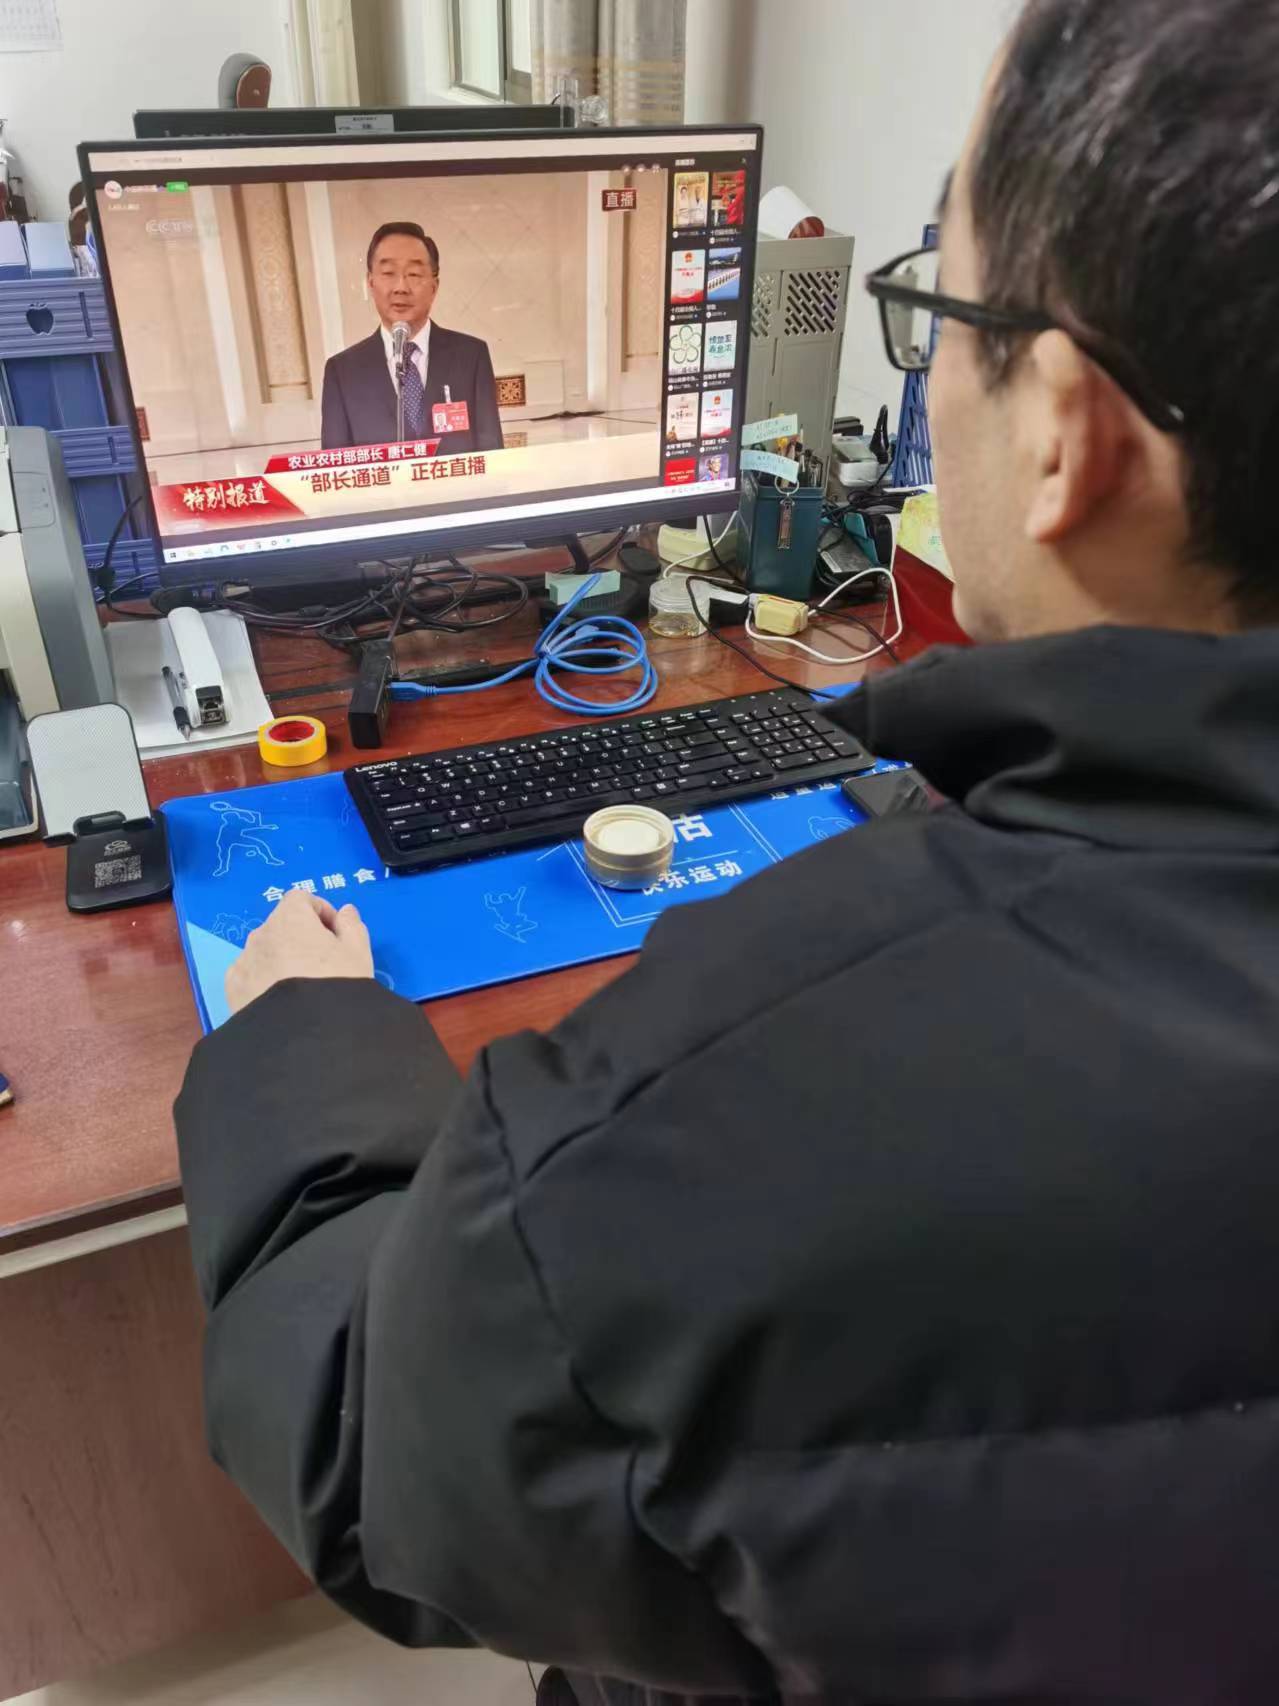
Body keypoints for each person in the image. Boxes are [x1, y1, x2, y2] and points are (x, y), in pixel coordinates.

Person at [175, 1, 1279, 1699]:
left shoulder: (715, 1116)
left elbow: (369, 1452)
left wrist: (296, 1048)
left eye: (934, 307)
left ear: (1063, 428)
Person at [319, 221, 503, 455]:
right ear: (371, 283)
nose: (401, 287)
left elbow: (492, 454)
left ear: (434, 287)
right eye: (388, 273)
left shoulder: (471, 356)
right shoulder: (343, 372)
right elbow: (335, 465)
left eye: (414, 274)